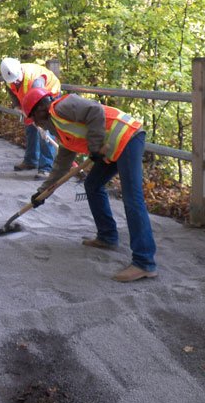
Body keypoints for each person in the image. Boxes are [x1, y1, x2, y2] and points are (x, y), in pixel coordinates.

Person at [20, 86, 158, 282]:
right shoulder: (59, 129)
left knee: (132, 198)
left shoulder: (62, 107)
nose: (35, 124)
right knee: (92, 185)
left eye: (33, 119)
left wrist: (94, 147)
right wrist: (43, 193)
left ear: (40, 110)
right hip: (111, 149)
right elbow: (61, 164)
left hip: (128, 138)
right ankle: (107, 236)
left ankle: (145, 262)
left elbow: (95, 111)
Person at [0, 57, 61, 179]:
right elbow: (11, 91)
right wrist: (18, 106)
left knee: (46, 134)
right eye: (13, 81)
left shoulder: (36, 80)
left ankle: (46, 168)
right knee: (30, 128)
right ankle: (31, 160)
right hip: (29, 100)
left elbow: (41, 103)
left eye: (17, 80)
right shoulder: (10, 76)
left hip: (47, 98)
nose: (15, 82)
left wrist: (43, 124)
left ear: (20, 71)